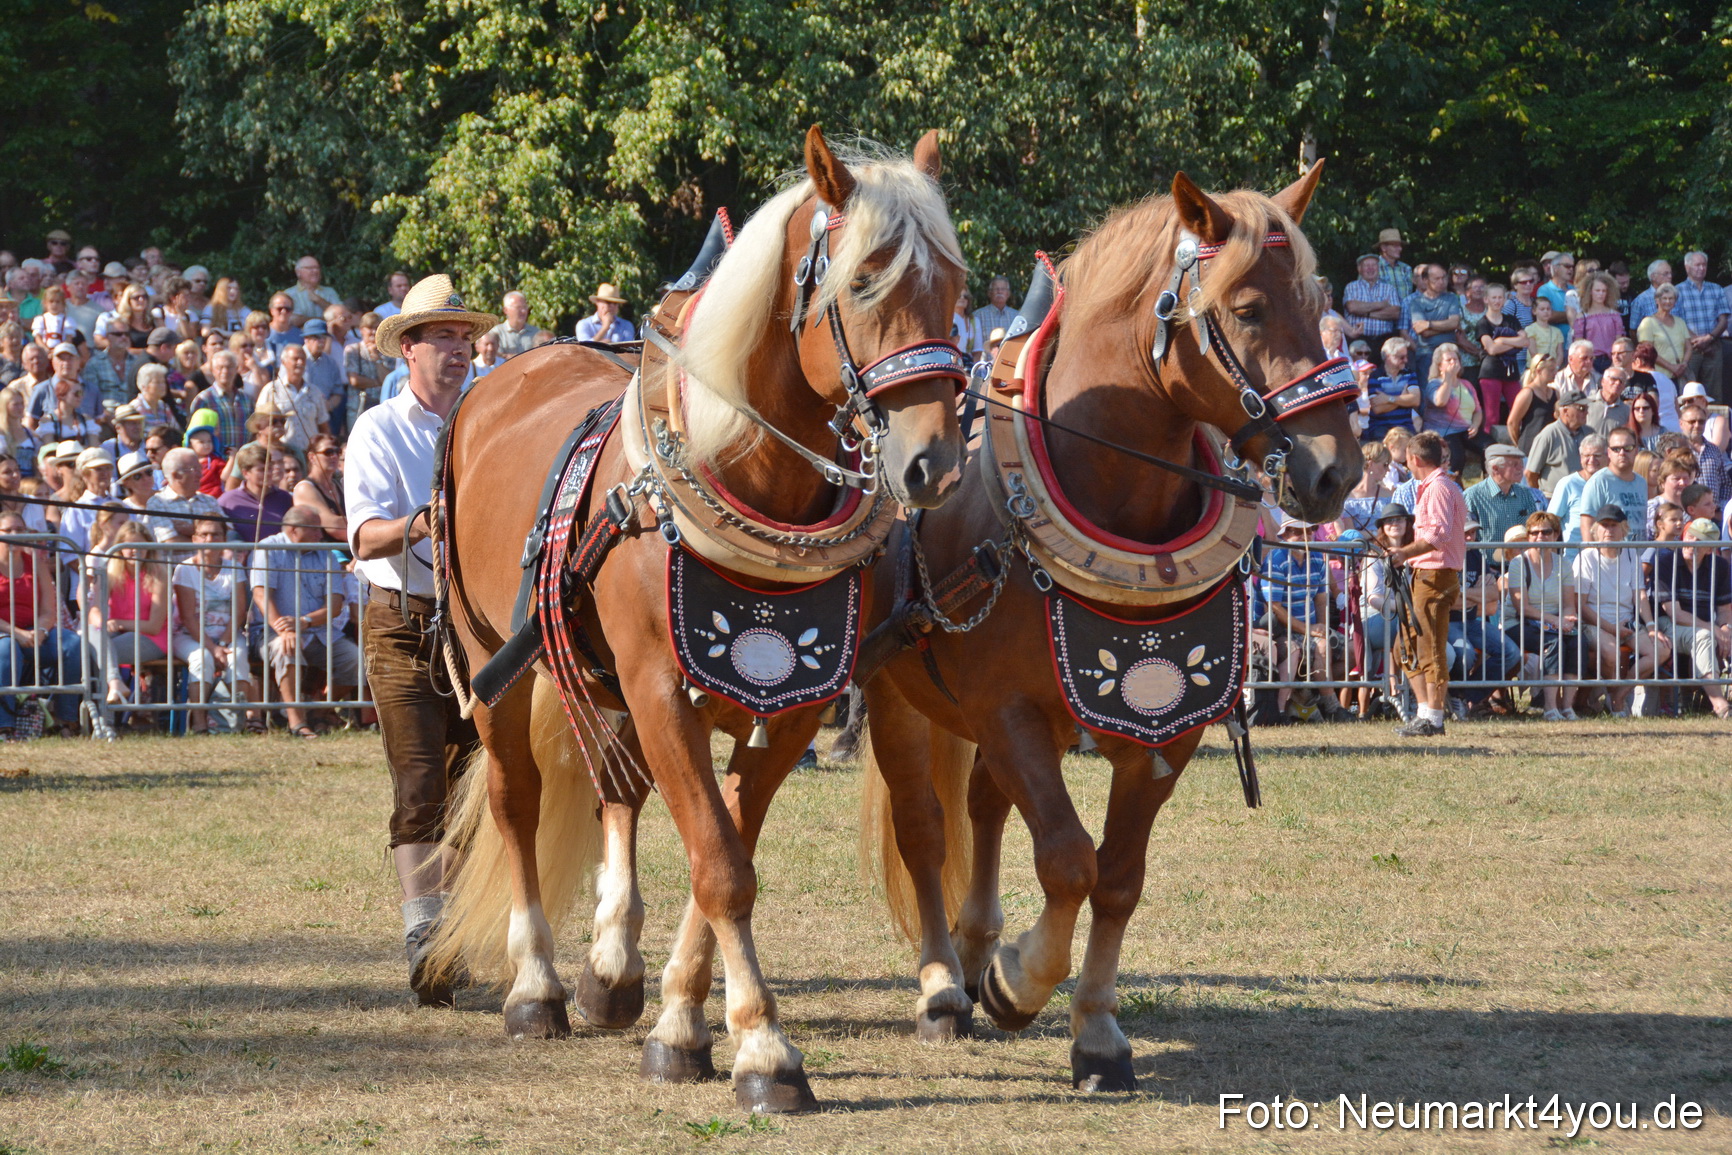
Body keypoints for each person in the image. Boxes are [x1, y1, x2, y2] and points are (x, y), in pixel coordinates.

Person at [346, 273, 492, 1005]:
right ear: (409, 347)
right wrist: (426, 521)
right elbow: (366, 534)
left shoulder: (486, 418)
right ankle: (424, 935)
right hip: (401, 619)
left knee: (475, 785)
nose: (461, 349)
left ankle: (455, 930)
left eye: (466, 337)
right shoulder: (378, 428)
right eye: (445, 335)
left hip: (472, 623)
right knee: (420, 783)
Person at [251, 504, 359, 739]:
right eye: (315, 530)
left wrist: (303, 623)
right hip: (270, 632)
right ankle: (297, 723)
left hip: (317, 630)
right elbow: (261, 595)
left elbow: (335, 605)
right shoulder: (268, 549)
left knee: (356, 660)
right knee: (286, 648)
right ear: (293, 530)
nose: (321, 536)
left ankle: (320, 706)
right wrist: (283, 629)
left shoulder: (326, 555)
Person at [1388, 432, 1464, 737]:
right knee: (1404, 646)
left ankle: (1433, 717)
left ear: (1414, 459)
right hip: (1423, 575)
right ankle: (1424, 712)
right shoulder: (1433, 487)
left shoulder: (1439, 488)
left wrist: (1403, 552)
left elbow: (1438, 535)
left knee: (1429, 646)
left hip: (1435, 576)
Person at [171, 517, 261, 734]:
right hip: (189, 635)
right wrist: (213, 649)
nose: (210, 539)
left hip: (227, 635)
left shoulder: (235, 568)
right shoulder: (184, 569)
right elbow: (187, 616)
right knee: (201, 659)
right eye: (204, 534)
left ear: (224, 538)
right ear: (194, 539)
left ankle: (240, 721)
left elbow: (239, 611)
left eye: (216, 534)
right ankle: (199, 722)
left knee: (237, 656)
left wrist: (222, 644)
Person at [0, 510, 86, 737]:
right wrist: (16, 633)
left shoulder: (35, 564)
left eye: (19, 530)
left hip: (33, 630)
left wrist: (39, 630)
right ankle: (5, 724)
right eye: (8, 531)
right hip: (5, 632)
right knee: (7, 649)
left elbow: (49, 608)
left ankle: (66, 719)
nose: (14, 535)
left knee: (72, 644)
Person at [1499, 511, 1583, 721]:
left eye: (1546, 532)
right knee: (1554, 643)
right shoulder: (1519, 563)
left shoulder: (1563, 564)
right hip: (1517, 623)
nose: (1540, 537)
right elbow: (1522, 608)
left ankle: (1567, 707)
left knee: (1577, 640)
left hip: (1551, 623)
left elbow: (1568, 604)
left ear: (1556, 535)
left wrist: (1567, 620)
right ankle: (1549, 707)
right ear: (1528, 536)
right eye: (1534, 533)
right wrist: (1554, 621)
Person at [1650, 517, 1732, 718]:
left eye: (1700, 541)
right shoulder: (1666, 562)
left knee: (1711, 635)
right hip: (1668, 625)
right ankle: (1720, 705)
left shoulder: (1720, 566)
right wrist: (1713, 629)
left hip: (1705, 625)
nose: (1692, 544)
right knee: (1704, 636)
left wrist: (1725, 629)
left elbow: (1724, 609)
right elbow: (1674, 613)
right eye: (1690, 537)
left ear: (1710, 549)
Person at [94, 520, 173, 710]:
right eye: (129, 546)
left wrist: (117, 623)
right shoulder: (110, 572)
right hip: (117, 633)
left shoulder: (159, 574)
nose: (134, 551)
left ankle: (106, 714)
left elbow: (154, 625)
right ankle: (115, 686)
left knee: (97, 652)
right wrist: (101, 623)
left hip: (152, 637)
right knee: (92, 637)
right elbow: (94, 609)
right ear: (120, 548)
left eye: (140, 546)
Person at [1357, 502, 1413, 720]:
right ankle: (1398, 694)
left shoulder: (1413, 553)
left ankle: (1412, 696)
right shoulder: (1374, 555)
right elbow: (1374, 598)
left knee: (1413, 629)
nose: (1394, 524)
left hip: (1400, 617)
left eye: (1399, 519)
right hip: (1372, 620)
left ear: (1407, 523)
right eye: (1389, 521)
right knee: (1407, 626)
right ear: (1382, 526)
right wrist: (1406, 608)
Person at [1576, 427, 1648, 540]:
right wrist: (1592, 554)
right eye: (1616, 449)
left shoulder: (1642, 482)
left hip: (1638, 555)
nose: (1622, 453)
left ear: (1636, 450)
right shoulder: (1598, 481)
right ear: (1609, 452)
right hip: (1610, 554)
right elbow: (1587, 523)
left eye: (1628, 448)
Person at [1421, 342, 1483, 475]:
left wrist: (1476, 425)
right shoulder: (1434, 384)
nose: (1453, 362)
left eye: (1455, 359)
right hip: (1444, 431)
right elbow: (1440, 401)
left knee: (1490, 449)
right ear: (1440, 366)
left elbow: (1478, 410)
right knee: (1456, 458)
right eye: (1448, 360)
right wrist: (1448, 378)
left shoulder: (1467, 384)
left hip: (1466, 429)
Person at [1474, 282, 1528, 428]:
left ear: (1504, 300)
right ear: (1486, 299)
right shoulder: (1483, 323)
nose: (1497, 301)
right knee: (1492, 416)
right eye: (1494, 298)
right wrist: (1514, 342)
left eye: (1500, 298)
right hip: (1491, 371)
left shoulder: (1511, 320)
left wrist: (1502, 340)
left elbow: (1525, 341)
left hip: (1511, 371)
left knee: (1519, 411)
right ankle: (1488, 448)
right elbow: (1491, 349)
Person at [1675, 251, 1727, 400]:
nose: (1701, 268)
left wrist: (1709, 338)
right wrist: (1699, 341)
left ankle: (1716, 422)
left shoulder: (1716, 289)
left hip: (1714, 346)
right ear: (1687, 267)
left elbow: (1723, 320)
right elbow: (1678, 321)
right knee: (1689, 391)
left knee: (1714, 393)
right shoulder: (1678, 291)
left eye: (1704, 265)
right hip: (1689, 348)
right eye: (1697, 264)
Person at [1466, 444, 1541, 546]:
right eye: (1514, 464)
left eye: (1521, 463)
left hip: (1519, 560)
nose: (1521, 468)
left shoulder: (1525, 494)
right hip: (1485, 561)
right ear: (1495, 469)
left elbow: (1534, 528)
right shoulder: (1472, 496)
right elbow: (1465, 534)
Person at [145, 447, 224, 542]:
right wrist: (209, 539)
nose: (200, 474)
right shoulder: (158, 503)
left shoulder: (210, 501)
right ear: (175, 475)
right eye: (193, 469)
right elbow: (171, 542)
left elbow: (226, 533)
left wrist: (193, 529)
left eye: (200, 468)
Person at [218, 443, 293, 541]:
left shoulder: (285, 498)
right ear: (245, 473)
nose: (268, 473)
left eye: (270, 468)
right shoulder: (227, 501)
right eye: (262, 470)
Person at [1524, 390, 1592, 496]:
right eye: (1581, 409)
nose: (1586, 412)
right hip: (1553, 498)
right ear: (1565, 411)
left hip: (1584, 496)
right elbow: (1530, 473)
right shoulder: (1548, 435)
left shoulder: (1590, 433)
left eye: (1587, 408)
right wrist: (1540, 498)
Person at [1359, 337, 1420, 443]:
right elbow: (1378, 409)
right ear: (1388, 356)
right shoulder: (1375, 376)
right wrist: (1403, 398)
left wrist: (1388, 398)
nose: (1405, 360)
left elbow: (1416, 401)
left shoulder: (1410, 374)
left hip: (1405, 426)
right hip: (1381, 428)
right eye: (1401, 357)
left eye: (1406, 356)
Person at [294, 432, 347, 543]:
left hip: (351, 548)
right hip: (326, 553)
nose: (335, 456)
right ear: (312, 457)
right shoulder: (305, 488)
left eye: (338, 452)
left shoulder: (339, 485)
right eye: (328, 452)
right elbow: (334, 527)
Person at [1343, 252, 1400, 350]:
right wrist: (1381, 304)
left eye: (1374, 265)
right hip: (1358, 340)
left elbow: (1395, 313)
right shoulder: (1351, 287)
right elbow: (1352, 308)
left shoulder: (1389, 288)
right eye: (1366, 265)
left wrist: (1365, 313)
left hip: (1384, 340)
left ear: (1378, 268)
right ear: (1359, 269)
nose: (1371, 268)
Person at [1679, 400, 1730, 506]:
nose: (1697, 425)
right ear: (1681, 423)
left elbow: (1726, 483)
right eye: (1692, 422)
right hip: (1684, 513)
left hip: (1713, 514)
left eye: (1701, 421)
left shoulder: (1714, 450)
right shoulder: (1676, 450)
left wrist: (1720, 509)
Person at [1637, 284, 1690, 380]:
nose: (1668, 301)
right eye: (1664, 298)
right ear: (1657, 300)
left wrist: (1684, 364)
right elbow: (1648, 352)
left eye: (1671, 298)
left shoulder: (1680, 322)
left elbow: (1688, 347)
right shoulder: (1648, 322)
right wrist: (1671, 367)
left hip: (1679, 374)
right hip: (1658, 376)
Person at [284, 256, 339, 327]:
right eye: (310, 268)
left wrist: (319, 300)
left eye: (317, 268)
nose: (315, 271)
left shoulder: (329, 292)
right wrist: (326, 319)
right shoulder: (288, 295)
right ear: (298, 272)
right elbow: (293, 321)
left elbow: (340, 316)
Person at [488, 291, 543, 358]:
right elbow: (495, 358)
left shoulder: (536, 333)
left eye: (525, 307)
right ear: (506, 310)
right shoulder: (497, 333)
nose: (523, 311)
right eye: (518, 308)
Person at [1585, 366, 1634, 438]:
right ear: (1602, 381)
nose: (1617, 383)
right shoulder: (1586, 403)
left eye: (1621, 381)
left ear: (1624, 387)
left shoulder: (1626, 411)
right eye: (1613, 379)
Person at [971, 276, 1018, 348]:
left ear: (1008, 294)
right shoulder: (978, 316)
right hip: (985, 358)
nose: (1000, 291)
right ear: (989, 293)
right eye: (996, 289)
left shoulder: (1016, 317)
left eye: (1003, 289)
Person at [1524, 296, 1564, 368]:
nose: (1546, 311)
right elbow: (1533, 352)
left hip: (1552, 369)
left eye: (1548, 309)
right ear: (1534, 311)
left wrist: (1556, 367)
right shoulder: (1530, 329)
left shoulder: (1557, 331)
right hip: (1535, 368)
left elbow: (1560, 353)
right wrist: (1542, 366)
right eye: (1542, 309)